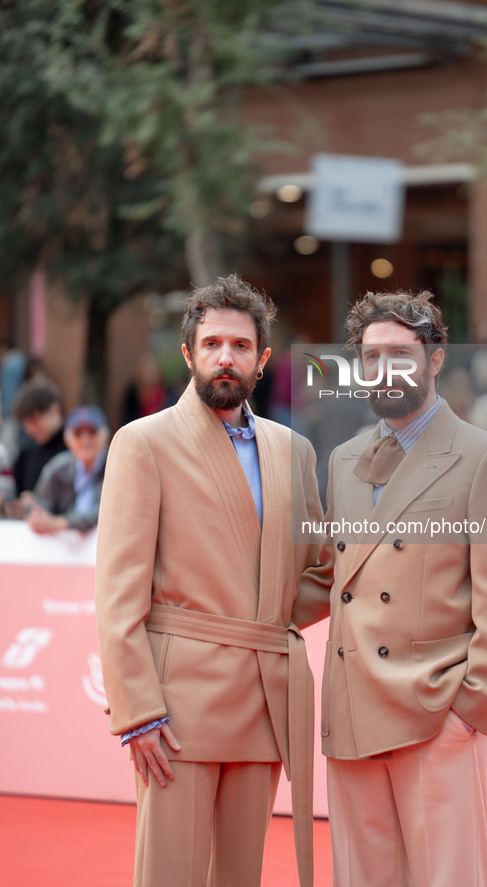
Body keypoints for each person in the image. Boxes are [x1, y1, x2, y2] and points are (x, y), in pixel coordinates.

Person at [298, 289, 487, 887]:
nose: (386, 371)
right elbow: (336, 577)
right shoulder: (344, 459)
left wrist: (468, 713)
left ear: (434, 358)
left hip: (436, 717)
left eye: (401, 354)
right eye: (372, 357)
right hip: (352, 716)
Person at [94, 274, 323, 887]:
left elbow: (322, 568)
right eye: (214, 343)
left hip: (263, 696)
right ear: (190, 353)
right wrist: (136, 711)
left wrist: (264, 614)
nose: (227, 356)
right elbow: (118, 595)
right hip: (174, 708)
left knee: (239, 876)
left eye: (241, 346)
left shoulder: (293, 450)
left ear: (263, 360)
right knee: (171, 873)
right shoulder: (142, 443)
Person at [26, 405, 110, 535]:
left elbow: (108, 512)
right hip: (63, 549)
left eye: (92, 432)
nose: (85, 440)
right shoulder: (57, 468)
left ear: (104, 436)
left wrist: (60, 523)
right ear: (68, 439)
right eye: (78, 433)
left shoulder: (116, 468)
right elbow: (39, 505)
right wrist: (38, 518)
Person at [10, 377, 67, 507]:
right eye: (26, 422)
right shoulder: (26, 452)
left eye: (34, 420)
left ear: (54, 411)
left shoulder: (74, 449)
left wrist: (38, 502)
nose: (30, 429)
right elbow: (16, 495)